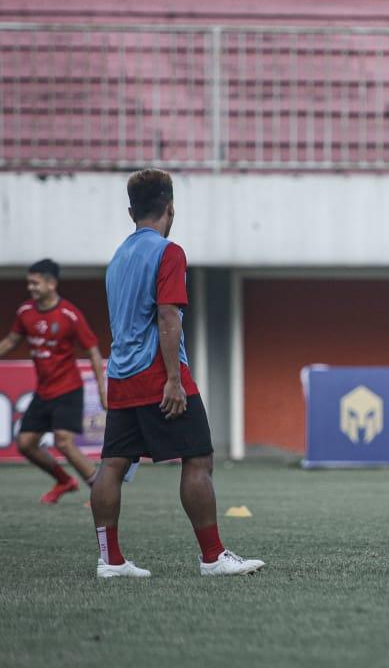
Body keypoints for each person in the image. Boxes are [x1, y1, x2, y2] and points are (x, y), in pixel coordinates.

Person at [92, 169, 264, 578]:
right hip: (157, 372)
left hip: (120, 373)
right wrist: (173, 379)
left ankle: (109, 559)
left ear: (131, 211)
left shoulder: (118, 257)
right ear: (171, 208)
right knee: (198, 458)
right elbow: (168, 315)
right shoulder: (169, 252)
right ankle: (213, 557)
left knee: (111, 465)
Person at [0, 259, 106, 503]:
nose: (31, 288)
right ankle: (64, 480)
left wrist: (102, 391)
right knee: (25, 444)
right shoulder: (25, 312)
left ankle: (100, 492)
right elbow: (10, 341)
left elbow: (93, 351)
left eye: (35, 283)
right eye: (29, 283)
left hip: (68, 389)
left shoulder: (69, 314)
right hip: (43, 391)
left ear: (51, 283)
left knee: (64, 442)